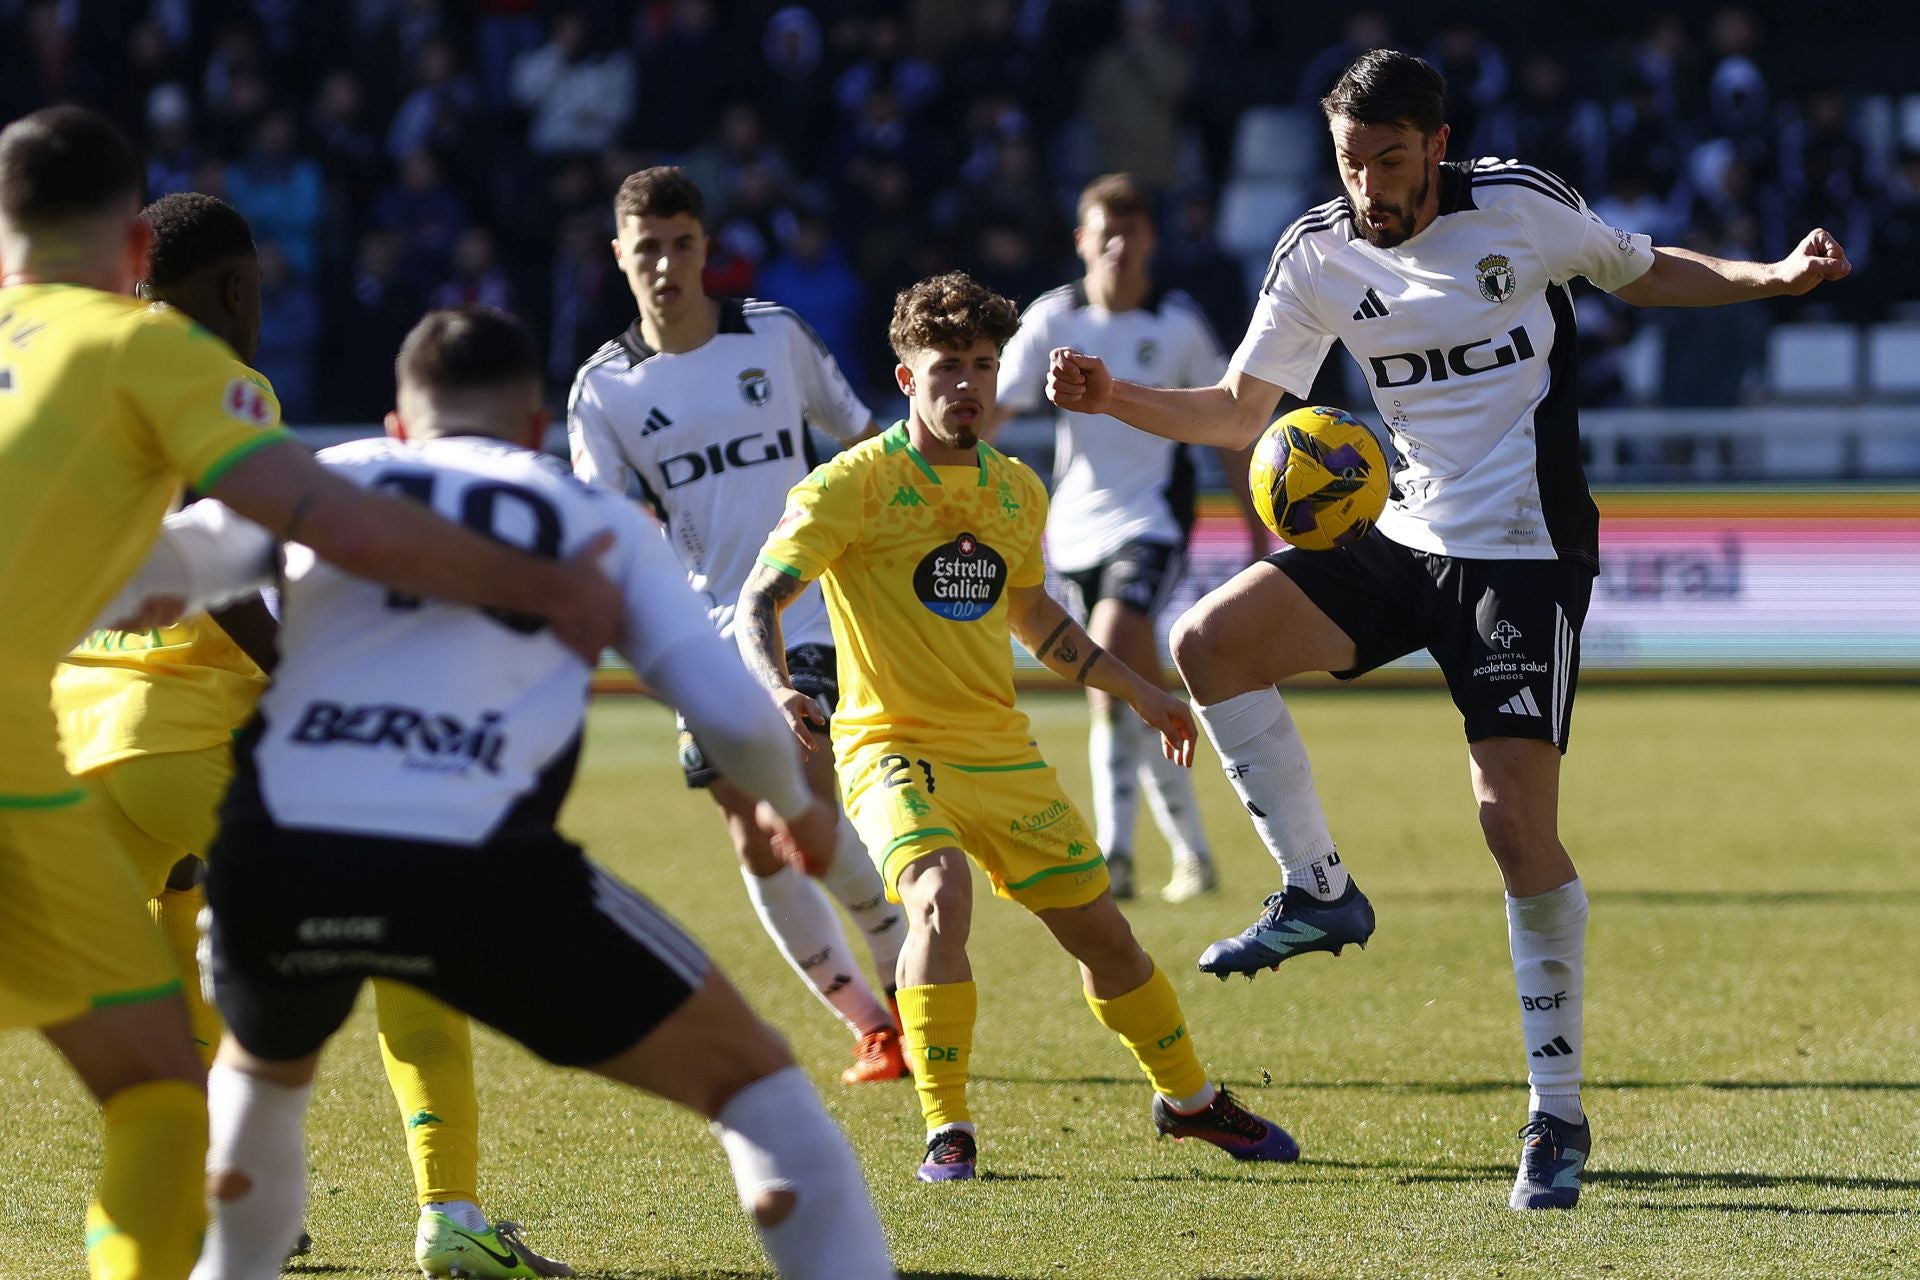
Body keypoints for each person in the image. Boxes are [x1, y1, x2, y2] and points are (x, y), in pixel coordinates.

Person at [1045, 49, 1851, 1211]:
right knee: (1206, 642)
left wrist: (1767, 276)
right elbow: (1235, 408)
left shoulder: (1520, 207)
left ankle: (1557, 1115)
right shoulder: (1317, 252)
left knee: (1511, 826)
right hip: (1401, 532)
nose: (1368, 182)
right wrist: (1111, 394)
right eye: (1349, 160)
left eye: (1388, 157)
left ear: (1435, 141)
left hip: (1523, 553)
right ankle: (1318, 886)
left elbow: (1640, 268)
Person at [104, 306, 894, 1280]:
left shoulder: (324, 476)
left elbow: (148, 571)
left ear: (398, 424)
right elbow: (728, 713)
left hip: (279, 856)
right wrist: (804, 811)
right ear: (531, 428)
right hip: (471, 858)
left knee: (262, 1082)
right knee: (762, 1091)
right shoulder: (590, 517)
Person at [0, 105, 616, 1280]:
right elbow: (223, 552)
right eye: (255, 288)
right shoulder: (211, 376)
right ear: (234, 288)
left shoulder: (42, 362)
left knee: (163, 972)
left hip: (73, 737)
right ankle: (453, 1213)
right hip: (193, 728)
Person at [736, 271, 1300, 1182]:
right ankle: (946, 1128)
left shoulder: (1015, 490)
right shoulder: (850, 486)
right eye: (947, 365)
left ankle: (1191, 1102)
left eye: (984, 365)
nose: (968, 383)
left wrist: (1142, 692)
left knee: (1107, 941)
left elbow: (1038, 622)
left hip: (1000, 753)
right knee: (938, 898)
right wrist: (776, 690)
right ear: (905, 377)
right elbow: (758, 599)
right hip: (890, 747)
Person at [568, 167, 910, 1084]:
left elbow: (864, 440)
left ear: (705, 246)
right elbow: (600, 524)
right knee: (755, 836)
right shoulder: (605, 387)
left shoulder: (775, 335)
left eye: (682, 244)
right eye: (647, 249)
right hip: (700, 635)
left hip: (805, 615)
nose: (667, 265)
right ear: (619, 257)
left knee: (802, 808)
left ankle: (908, 977)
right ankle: (872, 1023)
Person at [996, 172, 1268, 904]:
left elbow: (1230, 429)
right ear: (1081, 241)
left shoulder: (1176, 325)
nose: (1117, 245)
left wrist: (1254, 523)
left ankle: (1114, 857)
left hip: (1152, 519)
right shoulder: (1053, 318)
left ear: (1150, 239)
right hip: (1074, 529)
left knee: (1112, 648)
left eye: (1131, 231)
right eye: (1102, 232)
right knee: (1119, 692)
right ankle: (1193, 854)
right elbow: (993, 408)